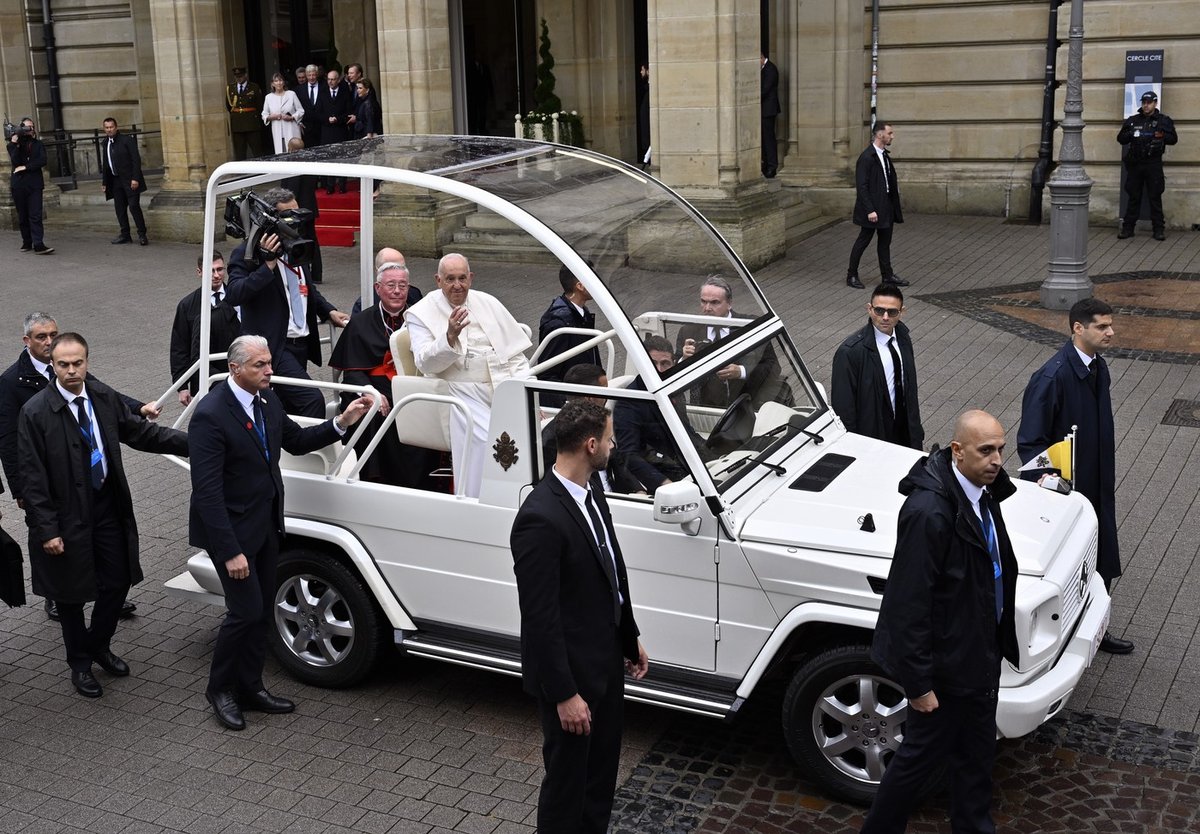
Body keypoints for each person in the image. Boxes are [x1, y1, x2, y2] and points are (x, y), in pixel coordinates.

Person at [188, 335, 375, 730]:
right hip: (233, 534)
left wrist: (342, 422)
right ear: (235, 369)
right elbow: (207, 492)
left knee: (260, 613)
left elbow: (297, 441)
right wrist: (230, 551)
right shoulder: (210, 415)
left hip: (266, 525)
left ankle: (251, 687)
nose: (269, 371)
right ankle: (219, 690)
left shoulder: (267, 401)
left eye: (269, 363)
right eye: (260, 365)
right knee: (244, 612)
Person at [861, 410, 1018, 834]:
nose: (997, 460)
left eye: (1001, 449)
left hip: (977, 658)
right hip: (947, 669)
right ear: (957, 451)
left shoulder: (983, 491)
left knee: (976, 758)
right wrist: (918, 685)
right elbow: (907, 604)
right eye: (986, 451)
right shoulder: (930, 512)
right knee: (917, 762)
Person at [17, 333, 188, 699]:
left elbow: (141, 433)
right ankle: (80, 664)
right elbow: (33, 479)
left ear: (87, 362)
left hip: (107, 507)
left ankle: (97, 644)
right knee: (70, 595)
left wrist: (194, 443)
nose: (71, 371)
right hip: (66, 517)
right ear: (53, 366)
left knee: (117, 579)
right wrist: (47, 530)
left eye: (77, 363)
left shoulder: (102, 397)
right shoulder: (35, 412)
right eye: (63, 364)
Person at [510, 398, 648, 833]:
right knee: (567, 786)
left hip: (605, 663)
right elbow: (540, 618)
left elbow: (611, 568)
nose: (613, 445)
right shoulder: (539, 518)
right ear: (590, 445)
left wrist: (629, 637)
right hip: (571, 678)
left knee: (599, 780)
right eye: (609, 439)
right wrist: (564, 694)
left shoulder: (592, 490)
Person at [0, 312, 158, 622]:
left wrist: (138, 408)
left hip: (81, 471)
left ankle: (102, 589)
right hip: (46, 477)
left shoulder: (67, 364)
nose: (49, 341)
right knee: (51, 537)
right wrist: (19, 489)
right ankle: (57, 597)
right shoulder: (12, 382)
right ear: (27, 341)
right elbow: (7, 438)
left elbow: (104, 393)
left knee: (91, 537)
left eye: (53, 334)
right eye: (42, 337)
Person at [1017, 298, 1132, 654]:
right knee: (1070, 565)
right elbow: (1031, 442)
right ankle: (1066, 636)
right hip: (1068, 494)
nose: (1111, 332)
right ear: (1078, 328)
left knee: (1100, 556)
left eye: (1110, 325)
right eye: (1102, 326)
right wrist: (1052, 485)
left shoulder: (1098, 367)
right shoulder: (1052, 377)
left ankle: (1097, 626)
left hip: (1096, 485)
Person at [406, 253, 532, 498]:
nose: (457, 285)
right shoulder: (421, 312)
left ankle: (518, 496)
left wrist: (525, 392)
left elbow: (515, 356)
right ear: (438, 280)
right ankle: (480, 498)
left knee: (531, 432)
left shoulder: (488, 302)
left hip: (502, 384)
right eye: (450, 279)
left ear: (471, 278)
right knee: (490, 441)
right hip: (460, 390)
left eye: (462, 278)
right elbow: (425, 362)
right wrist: (449, 337)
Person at [225, 187, 350, 418]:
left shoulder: (296, 246)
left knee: (286, 408)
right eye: (287, 216)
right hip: (275, 347)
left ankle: (284, 441)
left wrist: (328, 311)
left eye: (297, 214)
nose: (294, 222)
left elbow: (307, 289)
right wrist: (267, 266)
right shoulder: (247, 252)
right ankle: (314, 441)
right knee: (311, 399)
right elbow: (233, 294)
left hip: (301, 343)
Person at [329, 260, 440, 489]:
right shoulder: (361, 322)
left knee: (424, 409)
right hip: (372, 385)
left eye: (403, 285)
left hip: (412, 383)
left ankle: (423, 483)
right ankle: (375, 480)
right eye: (391, 285)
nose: (397, 291)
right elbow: (352, 372)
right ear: (378, 289)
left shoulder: (421, 319)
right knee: (372, 410)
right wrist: (370, 392)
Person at [831, 283, 924, 450]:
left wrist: (916, 433)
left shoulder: (903, 338)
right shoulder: (850, 352)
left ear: (902, 312)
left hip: (905, 434)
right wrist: (855, 447)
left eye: (892, 312)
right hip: (872, 439)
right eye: (879, 311)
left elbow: (910, 390)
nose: (885, 317)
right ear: (869, 309)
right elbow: (844, 409)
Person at [613, 335, 707, 494]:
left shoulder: (673, 390)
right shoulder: (629, 403)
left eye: (665, 363)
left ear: (673, 363)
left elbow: (686, 430)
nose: (659, 370)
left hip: (686, 464)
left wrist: (712, 454)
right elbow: (629, 455)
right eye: (653, 364)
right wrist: (665, 484)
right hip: (664, 474)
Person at [674, 275, 778, 408]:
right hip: (703, 408)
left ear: (729, 303)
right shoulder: (688, 331)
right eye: (703, 301)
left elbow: (773, 368)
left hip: (745, 406)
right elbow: (673, 374)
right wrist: (684, 359)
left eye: (714, 302)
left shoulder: (749, 327)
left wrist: (741, 372)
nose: (707, 308)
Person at [540, 364, 644, 494]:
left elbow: (618, 462)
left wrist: (638, 490)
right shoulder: (555, 439)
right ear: (590, 398)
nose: (607, 397)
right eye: (604, 392)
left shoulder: (600, 422)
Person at [169, 251, 243, 406]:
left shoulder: (238, 298)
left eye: (220, 269)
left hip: (238, 374)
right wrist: (181, 386)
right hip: (204, 380)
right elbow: (179, 348)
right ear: (199, 272)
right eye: (211, 271)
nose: (216, 275)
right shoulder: (187, 305)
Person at [846, 122, 906, 290]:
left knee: (885, 242)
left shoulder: (883, 155)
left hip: (886, 205)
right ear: (880, 135)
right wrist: (870, 210)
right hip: (873, 208)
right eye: (890, 133)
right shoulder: (867, 157)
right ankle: (851, 275)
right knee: (863, 241)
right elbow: (862, 186)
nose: (892, 136)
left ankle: (887, 275)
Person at [538, 263, 601, 407]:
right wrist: (570, 404)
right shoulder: (560, 323)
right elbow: (547, 373)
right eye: (593, 278)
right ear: (580, 286)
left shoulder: (580, 313)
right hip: (574, 405)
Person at [1117, 90, 1177, 241]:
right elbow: (1121, 138)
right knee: (1133, 197)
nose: (1146, 105)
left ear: (1155, 103)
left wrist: (1162, 135)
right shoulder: (1133, 120)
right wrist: (1130, 133)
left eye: (1149, 103)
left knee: (1155, 197)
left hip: (1153, 164)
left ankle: (1158, 230)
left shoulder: (1163, 121)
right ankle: (1128, 228)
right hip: (1136, 164)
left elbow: (1173, 139)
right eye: (1144, 103)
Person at [7, 116, 53, 254]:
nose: (31, 129)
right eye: (27, 127)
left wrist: (26, 167)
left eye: (32, 127)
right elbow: (15, 161)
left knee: (35, 215)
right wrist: (15, 143)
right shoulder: (13, 145)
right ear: (21, 128)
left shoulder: (38, 144)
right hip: (19, 185)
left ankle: (38, 244)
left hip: (34, 184)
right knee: (23, 215)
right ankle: (27, 241)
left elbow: (42, 160)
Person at [100, 117, 148, 246]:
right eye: (107, 127)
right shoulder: (105, 143)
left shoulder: (127, 140)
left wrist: (135, 178)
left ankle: (142, 234)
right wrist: (104, 182)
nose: (109, 129)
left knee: (134, 206)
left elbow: (136, 160)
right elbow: (106, 164)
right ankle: (125, 235)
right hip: (115, 181)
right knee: (120, 209)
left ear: (116, 127)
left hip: (130, 180)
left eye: (111, 127)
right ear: (104, 129)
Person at [318, 68, 352, 192]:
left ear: (338, 80)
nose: (331, 82)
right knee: (329, 159)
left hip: (340, 130)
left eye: (333, 79)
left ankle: (342, 185)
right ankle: (330, 186)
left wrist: (338, 119)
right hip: (327, 131)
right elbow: (318, 112)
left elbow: (349, 112)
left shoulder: (345, 93)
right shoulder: (322, 93)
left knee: (342, 159)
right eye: (329, 79)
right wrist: (327, 119)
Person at [261, 72, 304, 155]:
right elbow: (264, 114)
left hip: (291, 128)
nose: (279, 83)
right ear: (272, 84)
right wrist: (271, 117)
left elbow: (300, 110)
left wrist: (292, 117)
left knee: (294, 153)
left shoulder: (291, 94)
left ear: (284, 82)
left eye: (280, 80)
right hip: (277, 130)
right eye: (276, 81)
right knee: (280, 153)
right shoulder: (268, 97)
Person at [226, 67, 264, 160]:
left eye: (241, 76)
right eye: (237, 76)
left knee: (257, 151)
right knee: (240, 152)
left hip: (251, 123)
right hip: (237, 124)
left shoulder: (254, 87)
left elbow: (259, 105)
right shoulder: (230, 88)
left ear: (245, 75)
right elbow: (228, 106)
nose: (239, 78)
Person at [761, 53, 780, 179]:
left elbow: (765, 89)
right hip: (764, 110)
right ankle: (766, 165)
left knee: (769, 139)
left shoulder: (770, 69)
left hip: (768, 110)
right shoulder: (765, 68)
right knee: (764, 138)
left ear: (761, 58)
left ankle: (772, 167)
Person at [299, 65, 324, 146]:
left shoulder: (324, 87)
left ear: (317, 74)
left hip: (322, 126)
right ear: (306, 75)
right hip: (306, 128)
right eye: (309, 75)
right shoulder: (299, 89)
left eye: (313, 75)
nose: (311, 77)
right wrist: (299, 122)